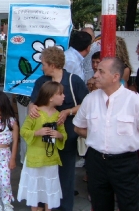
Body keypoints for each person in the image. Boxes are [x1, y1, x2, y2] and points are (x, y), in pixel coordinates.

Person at [73, 57, 139, 211]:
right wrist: (96, 136)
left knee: (130, 205)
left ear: (115, 77)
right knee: (99, 204)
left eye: (101, 71)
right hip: (96, 162)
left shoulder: (133, 101)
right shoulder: (90, 99)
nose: (95, 74)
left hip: (125, 163)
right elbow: (77, 127)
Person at [29, 46, 88, 211]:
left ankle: (63, 206)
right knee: (45, 168)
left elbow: (86, 103)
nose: (42, 67)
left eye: (44, 64)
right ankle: (42, 203)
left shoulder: (73, 81)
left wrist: (68, 111)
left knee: (65, 170)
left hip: (66, 130)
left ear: (53, 65)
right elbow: (34, 102)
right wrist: (32, 108)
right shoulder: (41, 81)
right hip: (45, 129)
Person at [18, 81, 67, 211]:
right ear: (50, 97)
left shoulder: (58, 115)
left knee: (49, 187)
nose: (64, 96)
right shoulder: (35, 113)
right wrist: (37, 133)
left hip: (50, 158)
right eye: (60, 94)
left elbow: (63, 134)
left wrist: (59, 135)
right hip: (35, 158)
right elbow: (23, 131)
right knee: (35, 186)